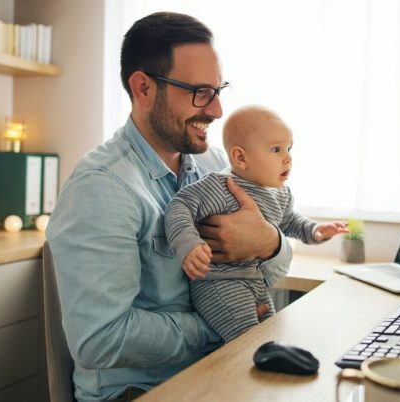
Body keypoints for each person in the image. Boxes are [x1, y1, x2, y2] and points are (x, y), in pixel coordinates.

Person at [45, 12, 293, 402]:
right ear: (143, 88)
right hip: (138, 392)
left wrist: (269, 243)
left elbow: (271, 270)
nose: (216, 111)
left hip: (217, 371)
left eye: (218, 90)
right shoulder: (101, 188)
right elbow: (100, 339)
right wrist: (220, 323)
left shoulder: (216, 167)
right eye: (199, 92)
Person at [165, 105, 348, 342]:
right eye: (276, 149)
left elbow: (290, 221)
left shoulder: (281, 194)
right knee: (249, 343)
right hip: (219, 284)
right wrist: (188, 244)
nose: (288, 157)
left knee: (270, 334)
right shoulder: (220, 186)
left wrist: (315, 230)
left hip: (256, 282)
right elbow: (180, 205)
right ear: (241, 157)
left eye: (289, 148)